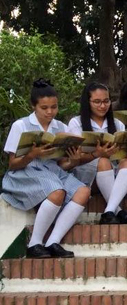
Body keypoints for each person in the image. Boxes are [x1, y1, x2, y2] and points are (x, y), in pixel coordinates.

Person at [2, 79, 90, 258]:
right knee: (57, 192)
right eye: (44, 108)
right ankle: (35, 244)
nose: (50, 112)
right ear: (33, 106)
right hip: (25, 171)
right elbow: (13, 163)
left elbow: (61, 165)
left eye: (54, 107)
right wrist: (32, 154)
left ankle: (53, 242)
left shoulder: (61, 127)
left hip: (53, 171)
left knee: (83, 192)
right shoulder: (21, 125)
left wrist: (73, 161)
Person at [66, 82, 127, 224]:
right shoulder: (76, 123)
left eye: (106, 101)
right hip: (85, 173)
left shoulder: (117, 124)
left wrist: (126, 153)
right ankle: (118, 211)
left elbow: (122, 154)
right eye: (97, 102)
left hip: (113, 171)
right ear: (88, 102)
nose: (102, 106)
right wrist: (97, 154)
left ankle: (109, 211)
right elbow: (75, 157)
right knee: (103, 161)